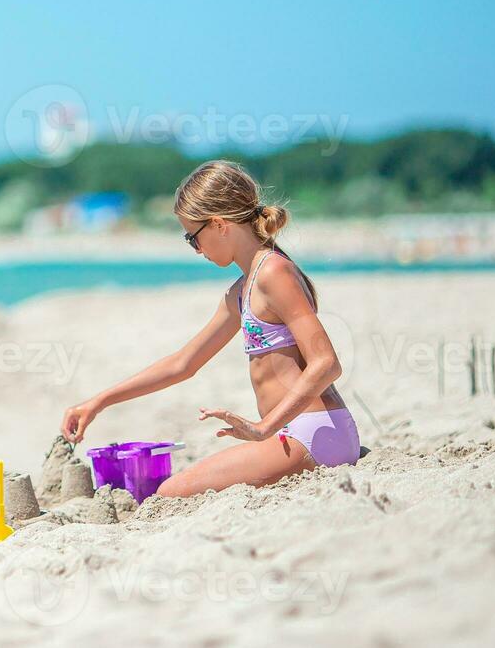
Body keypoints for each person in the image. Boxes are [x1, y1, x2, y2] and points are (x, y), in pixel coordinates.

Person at [61, 160, 359, 496]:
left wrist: (264, 428)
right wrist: (98, 402)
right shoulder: (241, 291)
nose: (196, 248)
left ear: (219, 224)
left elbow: (326, 363)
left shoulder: (275, 272)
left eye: (193, 237)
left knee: (169, 492)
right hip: (294, 432)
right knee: (172, 489)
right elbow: (182, 363)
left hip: (316, 433)